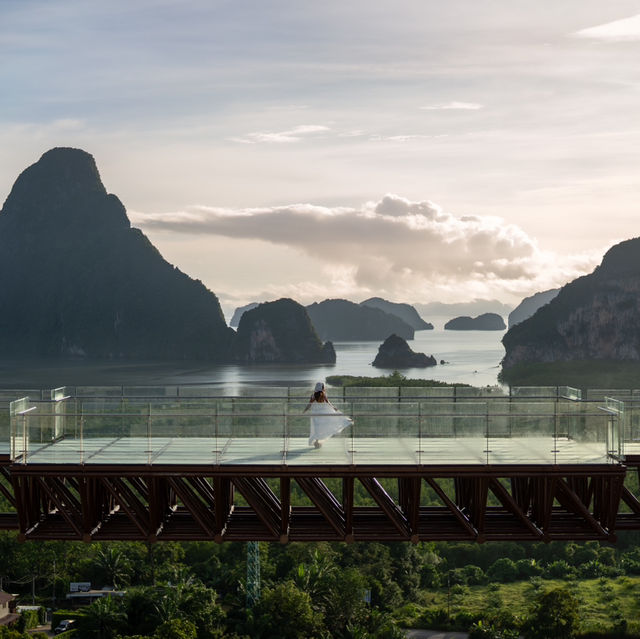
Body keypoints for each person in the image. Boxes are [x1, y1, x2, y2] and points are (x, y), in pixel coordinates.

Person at [303, 382, 352, 448]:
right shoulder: (324, 395)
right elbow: (328, 403)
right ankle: (346, 420)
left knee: (317, 429)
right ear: (322, 388)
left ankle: (317, 442)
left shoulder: (314, 395)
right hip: (323, 412)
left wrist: (304, 410)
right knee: (325, 425)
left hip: (316, 414)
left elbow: (310, 404)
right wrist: (334, 408)